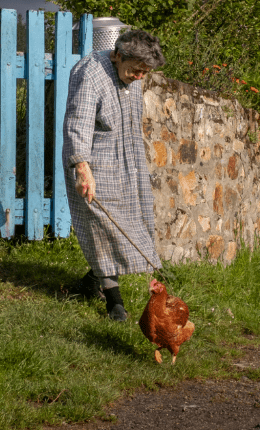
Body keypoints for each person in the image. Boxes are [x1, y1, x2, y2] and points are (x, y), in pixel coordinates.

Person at [62, 28, 166, 321]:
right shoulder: (90, 74)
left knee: (127, 225)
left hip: (127, 163)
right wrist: (83, 169)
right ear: (118, 55)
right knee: (103, 227)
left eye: (145, 72)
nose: (139, 77)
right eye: (136, 70)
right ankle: (114, 303)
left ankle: (90, 282)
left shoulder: (131, 75)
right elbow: (77, 122)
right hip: (95, 164)